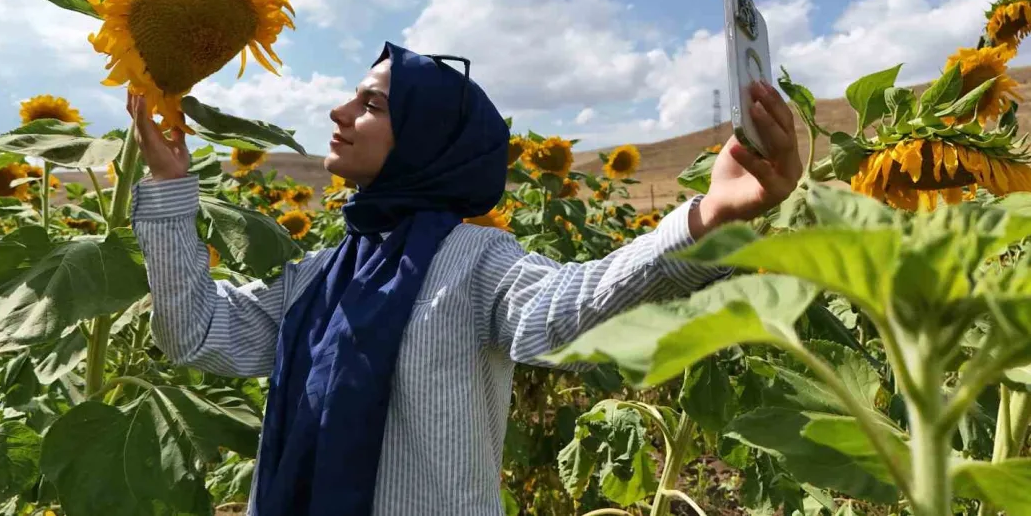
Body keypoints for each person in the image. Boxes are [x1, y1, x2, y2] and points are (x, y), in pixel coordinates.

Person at [128, 42, 802, 516]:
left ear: (427, 138)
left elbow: (565, 308)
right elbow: (196, 335)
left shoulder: (475, 261)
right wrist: (169, 186)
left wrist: (707, 218)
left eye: (371, 104)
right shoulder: (319, 276)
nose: (339, 113)